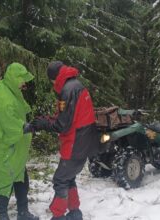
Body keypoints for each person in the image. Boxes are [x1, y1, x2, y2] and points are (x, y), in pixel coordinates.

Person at [28, 61, 100, 220]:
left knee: (60, 179)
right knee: (69, 177)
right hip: (84, 141)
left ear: (54, 78)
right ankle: (75, 213)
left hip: (76, 142)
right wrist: (49, 119)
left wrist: (42, 123)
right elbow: (69, 116)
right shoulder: (77, 85)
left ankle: (58, 216)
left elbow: (62, 125)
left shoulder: (67, 91)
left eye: (51, 81)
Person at [0, 62, 39, 220]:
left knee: (21, 177)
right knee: (4, 181)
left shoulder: (7, 87)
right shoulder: (4, 100)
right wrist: (26, 127)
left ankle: (23, 212)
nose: (24, 83)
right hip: (1, 147)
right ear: (14, 78)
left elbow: (19, 109)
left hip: (12, 146)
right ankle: (1, 215)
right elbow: (10, 124)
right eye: (22, 79)